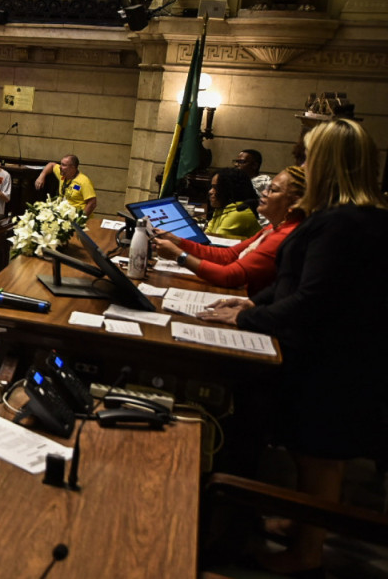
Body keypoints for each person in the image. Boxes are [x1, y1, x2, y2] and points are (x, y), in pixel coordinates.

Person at [197, 120, 388, 575]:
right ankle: (303, 522)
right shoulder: (352, 216)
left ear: (329, 163)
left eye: (307, 157)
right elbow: (291, 284)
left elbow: (311, 299)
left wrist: (245, 315)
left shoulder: (341, 222)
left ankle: (306, 553)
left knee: (319, 452)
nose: (301, 165)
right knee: (313, 452)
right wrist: (251, 303)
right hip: (337, 355)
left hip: (334, 364)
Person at [154, 166, 305, 296]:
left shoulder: (285, 235)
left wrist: (178, 255)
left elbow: (229, 276)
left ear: (294, 203)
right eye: (267, 188)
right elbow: (228, 255)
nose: (264, 193)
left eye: (273, 190)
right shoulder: (272, 227)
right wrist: (178, 241)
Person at [204, 168, 261, 239]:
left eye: (216, 187)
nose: (210, 191)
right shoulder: (221, 208)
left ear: (229, 190)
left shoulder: (238, 212)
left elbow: (218, 242)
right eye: (212, 187)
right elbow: (207, 235)